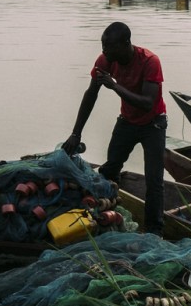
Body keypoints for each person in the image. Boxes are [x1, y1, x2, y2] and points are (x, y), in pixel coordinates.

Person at [62, 22, 168, 235]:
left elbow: (148, 101)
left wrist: (115, 86)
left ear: (125, 44)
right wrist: (76, 133)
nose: (104, 51)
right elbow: (91, 94)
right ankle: (111, 214)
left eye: (108, 46)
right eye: (103, 46)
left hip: (153, 123)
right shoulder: (105, 61)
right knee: (109, 169)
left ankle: (154, 232)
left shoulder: (150, 61)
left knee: (154, 180)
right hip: (127, 121)